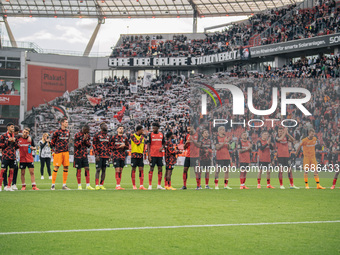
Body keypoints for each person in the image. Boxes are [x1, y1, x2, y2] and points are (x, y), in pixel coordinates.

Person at [50, 117, 71, 190]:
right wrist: (53, 151)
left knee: (66, 167)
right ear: (62, 123)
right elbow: (52, 142)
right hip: (58, 152)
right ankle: (53, 185)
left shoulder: (68, 132)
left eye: (67, 122)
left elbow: (68, 140)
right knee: (56, 167)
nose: (67, 124)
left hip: (66, 151)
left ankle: (64, 185)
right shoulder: (57, 132)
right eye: (66, 122)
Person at [74, 124, 95, 190]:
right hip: (78, 155)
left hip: (84, 154)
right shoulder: (77, 135)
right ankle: (79, 185)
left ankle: (88, 185)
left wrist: (86, 140)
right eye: (86, 131)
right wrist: (83, 139)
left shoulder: (88, 136)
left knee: (87, 168)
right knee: (79, 170)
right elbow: (76, 145)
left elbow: (89, 145)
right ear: (83, 129)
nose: (87, 132)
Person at [0, 122, 19, 192]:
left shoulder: (15, 137)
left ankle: (9, 186)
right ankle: (1, 186)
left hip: (12, 156)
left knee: (12, 171)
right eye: (11, 127)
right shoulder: (3, 136)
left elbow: (17, 146)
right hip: (5, 155)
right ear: (8, 128)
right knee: (3, 171)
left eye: (13, 127)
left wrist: (14, 142)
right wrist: (8, 141)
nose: (13, 128)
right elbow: (1, 145)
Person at [147, 122, 165, 190]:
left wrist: (162, 147)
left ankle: (159, 185)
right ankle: (150, 185)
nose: (153, 129)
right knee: (151, 168)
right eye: (153, 128)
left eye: (154, 128)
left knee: (160, 168)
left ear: (158, 128)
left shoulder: (161, 134)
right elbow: (148, 145)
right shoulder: (150, 134)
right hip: (153, 154)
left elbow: (163, 143)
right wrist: (149, 155)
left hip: (159, 155)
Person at [93, 122, 110, 190]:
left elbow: (109, 146)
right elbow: (94, 145)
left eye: (106, 125)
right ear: (101, 127)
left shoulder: (108, 136)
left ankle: (101, 184)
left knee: (104, 170)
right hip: (99, 155)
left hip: (105, 155)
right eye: (105, 125)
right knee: (98, 169)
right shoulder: (97, 135)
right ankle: (96, 185)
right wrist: (96, 155)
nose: (106, 126)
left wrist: (109, 155)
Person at [181, 126, 200, 190]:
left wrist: (192, 140)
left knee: (196, 171)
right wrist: (186, 142)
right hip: (188, 155)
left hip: (195, 156)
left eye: (189, 129)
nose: (188, 130)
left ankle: (198, 186)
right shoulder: (187, 136)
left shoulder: (198, 135)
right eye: (187, 129)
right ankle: (184, 185)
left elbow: (199, 145)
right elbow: (184, 148)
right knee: (185, 170)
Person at [111, 125, 129, 190]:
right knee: (117, 170)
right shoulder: (113, 137)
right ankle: (117, 185)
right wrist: (119, 147)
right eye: (120, 128)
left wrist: (124, 146)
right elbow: (111, 147)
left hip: (122, 156)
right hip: (116, 156)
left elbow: (128, 147)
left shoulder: (125, 138)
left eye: (122, 128)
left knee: (121, 170)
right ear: (117, 130)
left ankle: (118, 185)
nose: (121, 129)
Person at [130, 125, 147, 190]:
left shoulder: (142, 137)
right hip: (134, 155)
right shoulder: (132, 136)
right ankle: (134, 185)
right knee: (133, 169)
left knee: (141, 170)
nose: (143, 131)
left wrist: (144, 154)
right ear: (138, 130)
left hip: (140, 155)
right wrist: (142, 137)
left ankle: (141, 185)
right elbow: (137, 143)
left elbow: (143, 147)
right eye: (142, 130)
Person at [9, 126, 20, 190]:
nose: (17, 133)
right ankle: (8, 184)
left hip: (15, 156)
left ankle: (14, 184)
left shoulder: (17, 137)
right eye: (17, 132)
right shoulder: (8, 137)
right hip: (9, 156)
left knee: (15, 169)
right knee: (10, 170)